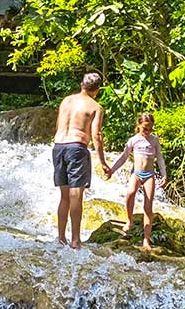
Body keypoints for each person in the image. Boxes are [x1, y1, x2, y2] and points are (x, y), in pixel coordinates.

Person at [52, 72, 109, 249]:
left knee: (64, 196)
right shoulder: (95, 107)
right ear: (97, 90)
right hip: (76, 147)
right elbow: (96, 135)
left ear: (82, 84)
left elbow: (58, 125)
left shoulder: (66, 101)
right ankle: (75, 240)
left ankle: (61, 237)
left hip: (58, 146)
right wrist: (102, 161)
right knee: (76, 194)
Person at [106, 112, 167, 249]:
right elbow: (123, 157)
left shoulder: (154, 140)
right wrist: (112, 170)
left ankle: (146, 240)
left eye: (150, 128)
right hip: (136, 173)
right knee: (130, 193)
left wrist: (164, 175)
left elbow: (160, 158)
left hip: (149, 175)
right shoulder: (133, 140)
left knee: (148, 206)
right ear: (139, 125)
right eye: (145, 128)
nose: (148, 131)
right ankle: (129, 220)